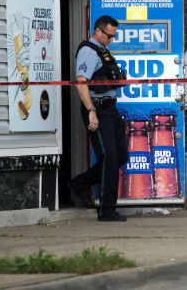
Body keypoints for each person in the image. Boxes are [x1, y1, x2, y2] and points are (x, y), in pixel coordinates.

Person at [68, 15, 129, 222]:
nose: (111, 40)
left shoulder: (103, 51)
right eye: (109, 36)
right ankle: (106, 210)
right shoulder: (88, 50)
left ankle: (78, 185)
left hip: (110, 109)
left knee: (120, 156)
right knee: (109, 158)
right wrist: (91, 111)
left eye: (113, 36)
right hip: (97, 110)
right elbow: (81, 82)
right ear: (98, 31)